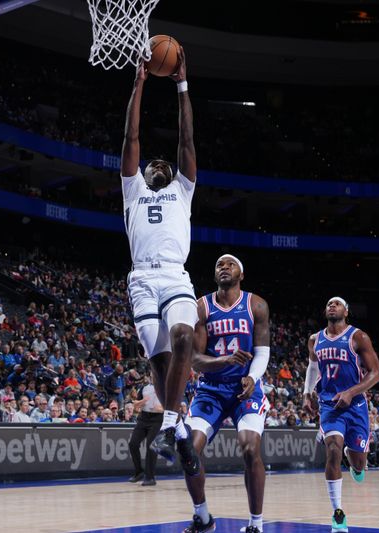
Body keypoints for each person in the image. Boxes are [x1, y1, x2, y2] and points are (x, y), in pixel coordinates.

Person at [120, 44, 200, 475]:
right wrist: (139, 84)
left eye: (161, 163)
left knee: (184, 337)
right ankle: (176, 423)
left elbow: (186, 139)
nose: (155, 165)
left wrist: (181, 85)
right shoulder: (132, 188)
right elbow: (132, 137)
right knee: (159, 358)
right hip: (141, 279)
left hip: (174, 276)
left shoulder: (182, 188)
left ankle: (170, 424)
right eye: (150, 164)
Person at [182, 255, 270, 533]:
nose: (223, 267)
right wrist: (225, 361)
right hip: (211, 389)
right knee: (187, 449)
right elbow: (194, 359)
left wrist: (252, 378)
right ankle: (203, 518)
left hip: (245, 389)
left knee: (250, 447)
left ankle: (256, 524)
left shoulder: (256, 305)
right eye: (219, 264)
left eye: (230, 264)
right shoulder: (201, 307)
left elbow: (262, 352)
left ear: (241, 274)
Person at [303, 297, 379, 533]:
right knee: (333, 448)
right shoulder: (315, 339)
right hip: (329, 403)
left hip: (355, 405)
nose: (332, 305)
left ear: (346, 311)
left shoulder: (358, 337)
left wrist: (351, 392)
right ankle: (338, 513)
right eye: (328, 303)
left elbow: (376, 373)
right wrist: (307, 394)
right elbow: (313, 367)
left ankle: (355, 459)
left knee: (359, 462)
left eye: (337, 303)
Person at [128, 375, 163, 487]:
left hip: (157, 420)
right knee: (133, 444)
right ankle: (139, 472)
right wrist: (143, 401)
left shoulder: (165, 387)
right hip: (143, 418)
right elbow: (135, 405)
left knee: (151, 446)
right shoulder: (144, 388)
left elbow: (169, 406)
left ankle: (150, 477)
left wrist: (162, 409)